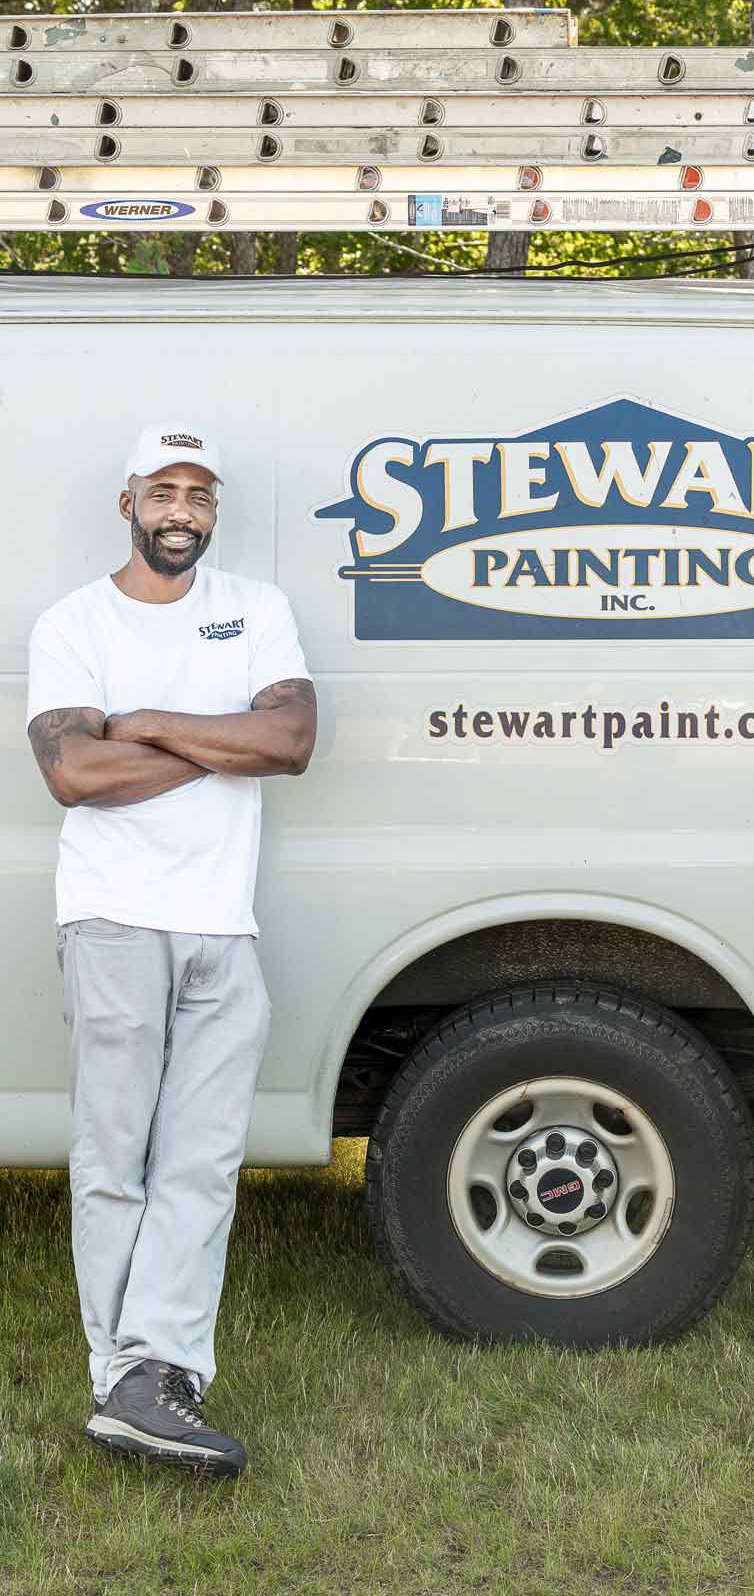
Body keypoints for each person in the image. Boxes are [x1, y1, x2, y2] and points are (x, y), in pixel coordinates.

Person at [26, 423, 317, 1478]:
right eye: (164, 490)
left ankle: (164, 1373)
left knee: (201, 1162)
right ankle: (122, 1378)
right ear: (128, 501)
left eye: (199, 493)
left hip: (220, 926)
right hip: (110, 915)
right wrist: (218, 737)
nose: (182, 508)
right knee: (117, 1156)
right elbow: (72, 775)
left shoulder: (257, 609)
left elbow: (288, 742)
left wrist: (144, 723)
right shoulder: (73, 623)